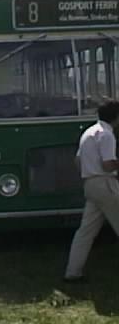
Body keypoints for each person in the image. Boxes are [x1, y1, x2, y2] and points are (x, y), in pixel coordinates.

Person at [64, 100, 119, 283]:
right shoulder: (107, 136)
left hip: (90, 184)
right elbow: (108, 164)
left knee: (85, 232)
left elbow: (77, 161)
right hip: (106, 184)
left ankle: (73, 272)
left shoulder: (88, 133)